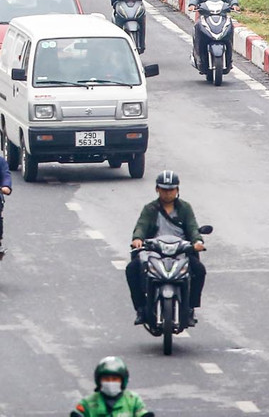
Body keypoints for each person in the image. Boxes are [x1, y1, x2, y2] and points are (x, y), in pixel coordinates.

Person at [127, 170, 205, 324]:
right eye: (164, 189)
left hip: (180, 251)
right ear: (157, 189)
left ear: (177, 190)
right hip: (154, 251)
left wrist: (197, 242)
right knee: (132, 269)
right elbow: (141, 226)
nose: (168, 193)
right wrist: (137, 239)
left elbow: (192, 227)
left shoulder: (185, 208)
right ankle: (141, 309)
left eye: (171, 190)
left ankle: (190, 309)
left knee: (199, 270)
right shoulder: (150, 209)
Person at [190, 0, 238, 72]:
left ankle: (229, 59)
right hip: (205, 16)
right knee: (197, 28)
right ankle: (198, 57)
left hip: (221, 15)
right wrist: (192, 4)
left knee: (230, 29)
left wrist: (234, 4)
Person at [70, 358, 152, 417]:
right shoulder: (88, 403)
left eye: (114, 379)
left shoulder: (133, 400)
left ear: (123, 381)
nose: (110, 382)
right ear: (99, 381)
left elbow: (141, 413)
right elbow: (78, 413)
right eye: (106, 379)